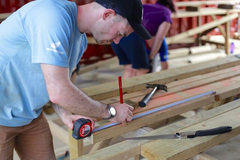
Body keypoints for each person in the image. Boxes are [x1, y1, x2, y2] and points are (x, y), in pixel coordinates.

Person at [0, 0, 151, 159]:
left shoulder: (80, 42)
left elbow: (55, 83)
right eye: (120, 33)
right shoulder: (51, 15)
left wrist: (66, 115)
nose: (118, 41)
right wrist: (110, 111)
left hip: (30, 116)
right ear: (107, 15)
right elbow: (58, 91)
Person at [111, 0, 176, 79]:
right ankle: (139, 91)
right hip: (132, 35)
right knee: (142, 70)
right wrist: (151, 57)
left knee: (129, 69)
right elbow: (160, 38)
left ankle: (126, 91)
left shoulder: (147, 6)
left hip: (116, 33)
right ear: (169, 6)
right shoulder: (167, 12)